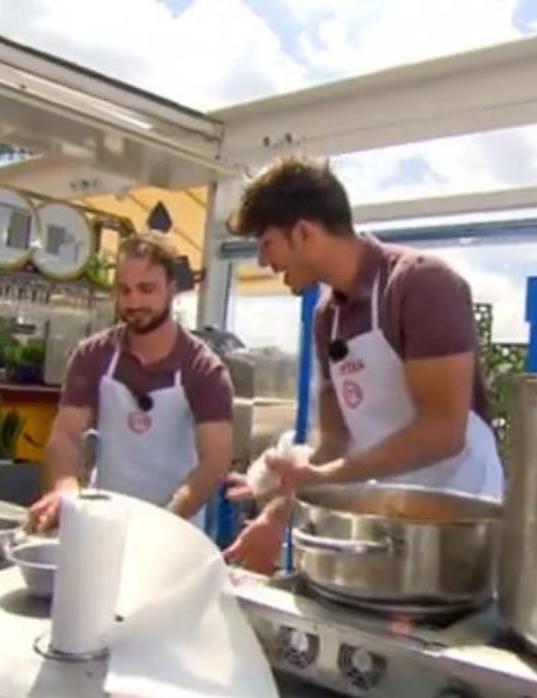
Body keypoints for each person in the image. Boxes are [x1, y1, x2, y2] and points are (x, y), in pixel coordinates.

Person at [222, 155, 504, 573]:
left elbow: (443, 432)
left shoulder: (419, 283)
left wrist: (334, 475)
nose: (264, 262)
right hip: (386, 509)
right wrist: (274, 517)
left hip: (459, 510)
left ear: (304, 233)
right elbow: (334, 441)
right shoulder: (326, 317)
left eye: (267, 244)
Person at [28, 234, 233, 531]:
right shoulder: (93, 354)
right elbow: (65, 436)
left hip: (175, 527)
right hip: (106, 519)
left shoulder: (203, 369)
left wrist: (164, 519)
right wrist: (64, 488)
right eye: (125, 290)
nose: (134, 301)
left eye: (147, 289)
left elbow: (214, 463)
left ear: (172, 290)